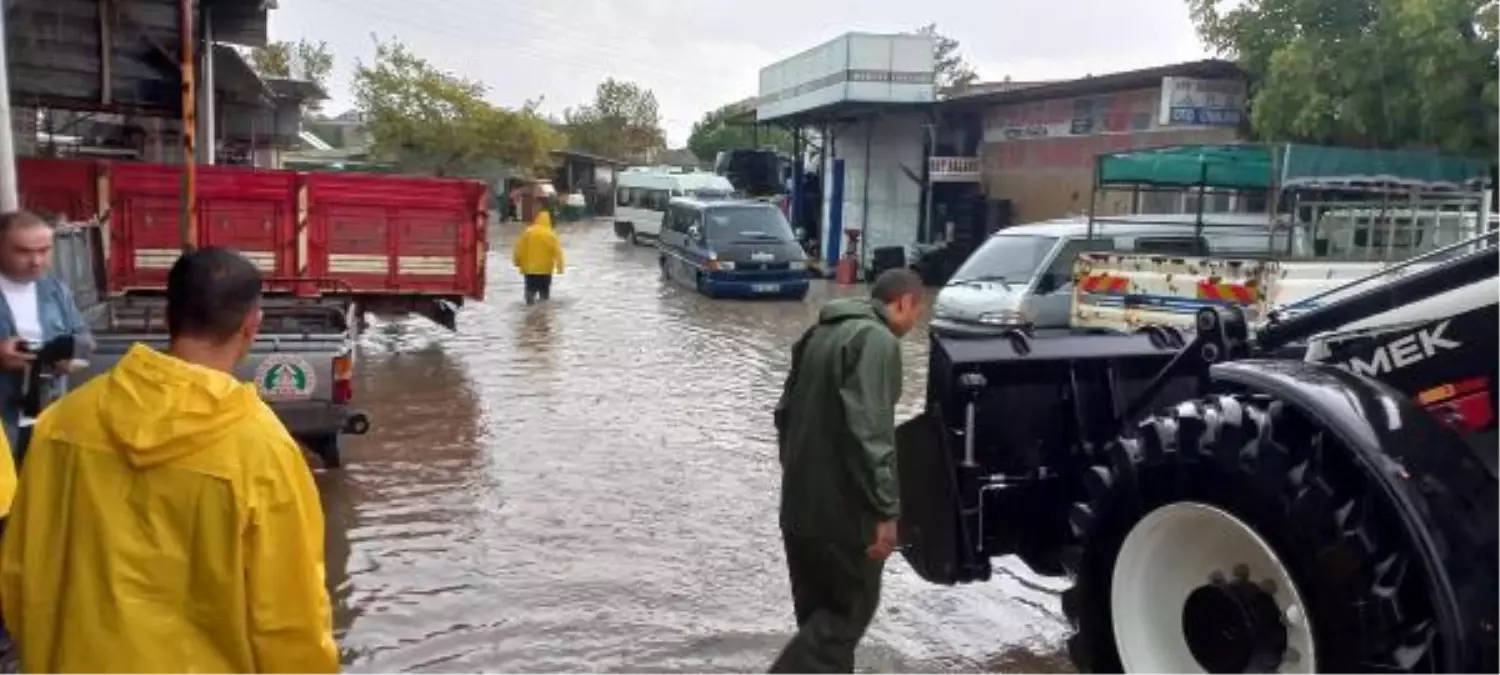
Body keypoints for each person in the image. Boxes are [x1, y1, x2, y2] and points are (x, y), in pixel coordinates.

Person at [0, 247, 339, 675]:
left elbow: (19, 571)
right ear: (252, 324)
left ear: (166, 316)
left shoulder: (63, 424)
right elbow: (291, 621)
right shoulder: (263, 452)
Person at [770, 267, 927, 673]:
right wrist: (886, 511)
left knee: (818, 626)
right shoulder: (876, 341)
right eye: (917, 313)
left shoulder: (818, 334)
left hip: (799, 513)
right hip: (843, 520)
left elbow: (784, 415)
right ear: (904, 303)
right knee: (841, 622)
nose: (915, 324)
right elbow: (871, 433)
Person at [0, 211, 92, 460]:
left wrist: (70, 360)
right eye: (24, 251)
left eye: (44, 250)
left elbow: (84, 340)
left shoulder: (55, 290)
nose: (37, 261)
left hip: (47, 416)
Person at [513, 196, 565, 305]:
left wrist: (516, 261)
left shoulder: (528, 232)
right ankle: (542, 313)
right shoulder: (551, 234)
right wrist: (560, 267)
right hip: (545, 271)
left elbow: (518, 249)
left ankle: (530, 304)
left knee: (530, 290)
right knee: (544, 295)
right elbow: (558, 253)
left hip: (530, 270)